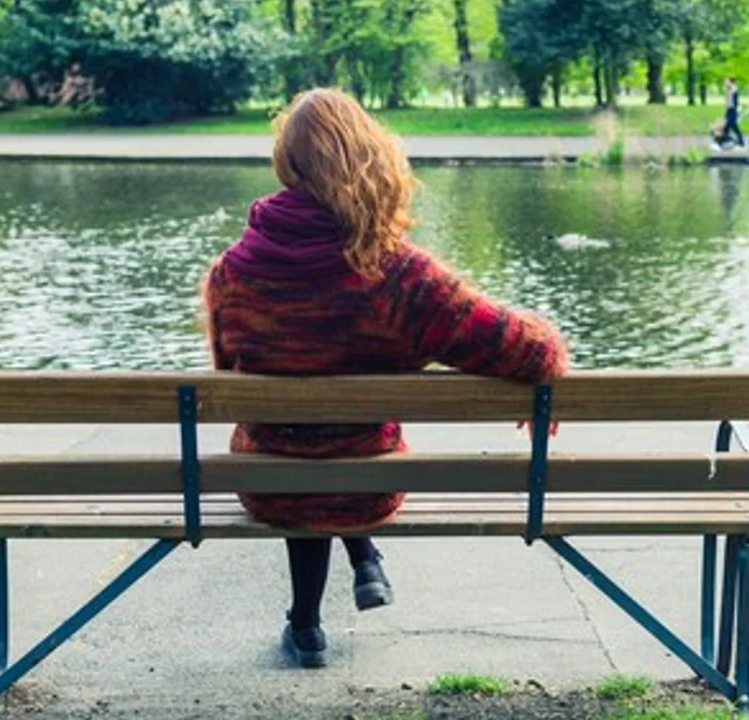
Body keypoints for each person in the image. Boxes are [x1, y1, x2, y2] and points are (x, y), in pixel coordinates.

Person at [201, 88, 569, 669]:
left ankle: (307, 625)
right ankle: (364, 558)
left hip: (269, 478)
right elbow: (523, 350)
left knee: (301, 454)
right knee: (341, 454)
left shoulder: (231, 272)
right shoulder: (397, 273)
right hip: (371, 480)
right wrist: (545, 339)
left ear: (288, 165)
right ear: (368, 156)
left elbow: (228, 377)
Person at [718, 77, 744, 149]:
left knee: (727, 126)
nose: (725, 83)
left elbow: (735, 103)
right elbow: (728, 103)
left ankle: (721, 143)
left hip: (733, 111)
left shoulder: (734, 90)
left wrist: (736, 113)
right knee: (734, 128)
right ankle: (741, 143)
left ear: (731, 82)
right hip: (729, 110)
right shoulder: (728, 90)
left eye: (727, 81)